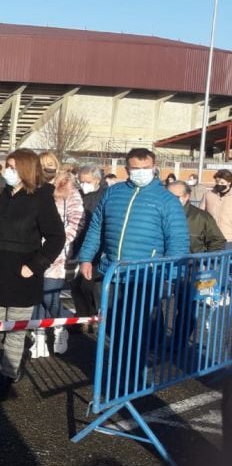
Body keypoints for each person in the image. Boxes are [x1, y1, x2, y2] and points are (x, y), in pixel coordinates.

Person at [0, 149, 66, 402]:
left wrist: (36, 265)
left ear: (25, 170)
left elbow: (57, 237)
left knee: (14, 331)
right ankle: (12, 356)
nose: (7, 171)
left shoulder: (40, 199)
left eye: (12, 167)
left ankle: (7, 376)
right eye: (6, 166)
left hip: (22, 273)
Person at [77, 148, 189, 348]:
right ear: (127, 168)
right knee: (112, 325)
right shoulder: (113, 193)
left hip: (146, 276)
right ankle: (117, 366)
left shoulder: (167, 200)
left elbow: (178, 241)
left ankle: (135, 371)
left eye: (145, 168)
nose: (140, 172)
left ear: (154, 168)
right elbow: (96, 228)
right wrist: (86, 257)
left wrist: (170, 276)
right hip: (111, 272)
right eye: (136, 168)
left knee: (140, 329)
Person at [31, 155, 84, 358]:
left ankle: (60, 326)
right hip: (34, 250)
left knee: (49, 295)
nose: (46, 169)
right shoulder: (33, 188)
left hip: (57, 252)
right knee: (35, 296)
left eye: (50, 165)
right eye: (43, 166)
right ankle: (39, 336)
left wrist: (62, 240)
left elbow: (77, 219)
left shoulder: (68, 189)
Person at [70, 164, 108, 319]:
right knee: (77, 286)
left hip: (98, 249)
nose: (83, 185)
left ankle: (91, 316)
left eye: (87, 181)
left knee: (88, 285)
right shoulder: (78, 195)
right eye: (81, 181)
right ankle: (83, 317)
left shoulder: (105, 196)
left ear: (97, 180)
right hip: (80, 244)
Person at [168, 181, 224, 253]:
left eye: (175, 197)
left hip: (193, 262)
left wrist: (206, 261)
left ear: (186, 196)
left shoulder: (202, 217)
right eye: (166, 196)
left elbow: (217, 242)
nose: (169, 200)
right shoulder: (157, 215)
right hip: (161, 263)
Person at [201, 169, 232, 247]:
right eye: (217, 182)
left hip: (228, 238)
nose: (219, 184)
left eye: (222, 183)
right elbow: (200, 214)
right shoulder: (208, 194)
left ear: (229, 182)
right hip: (210, 237)